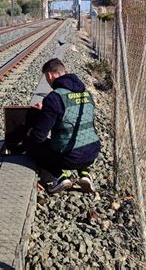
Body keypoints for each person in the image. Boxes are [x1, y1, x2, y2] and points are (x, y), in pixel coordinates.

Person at [24, 58, 101, 193]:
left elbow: (40, 136)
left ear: (49, 75)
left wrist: (28, 136)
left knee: (33, 143)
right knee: (80, 135)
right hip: (92, 153)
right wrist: (47, 110)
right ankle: (84, 174)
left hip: (68, 158)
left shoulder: (54, 98)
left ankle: (59, 176)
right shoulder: (86, 93)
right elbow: (73, 112)